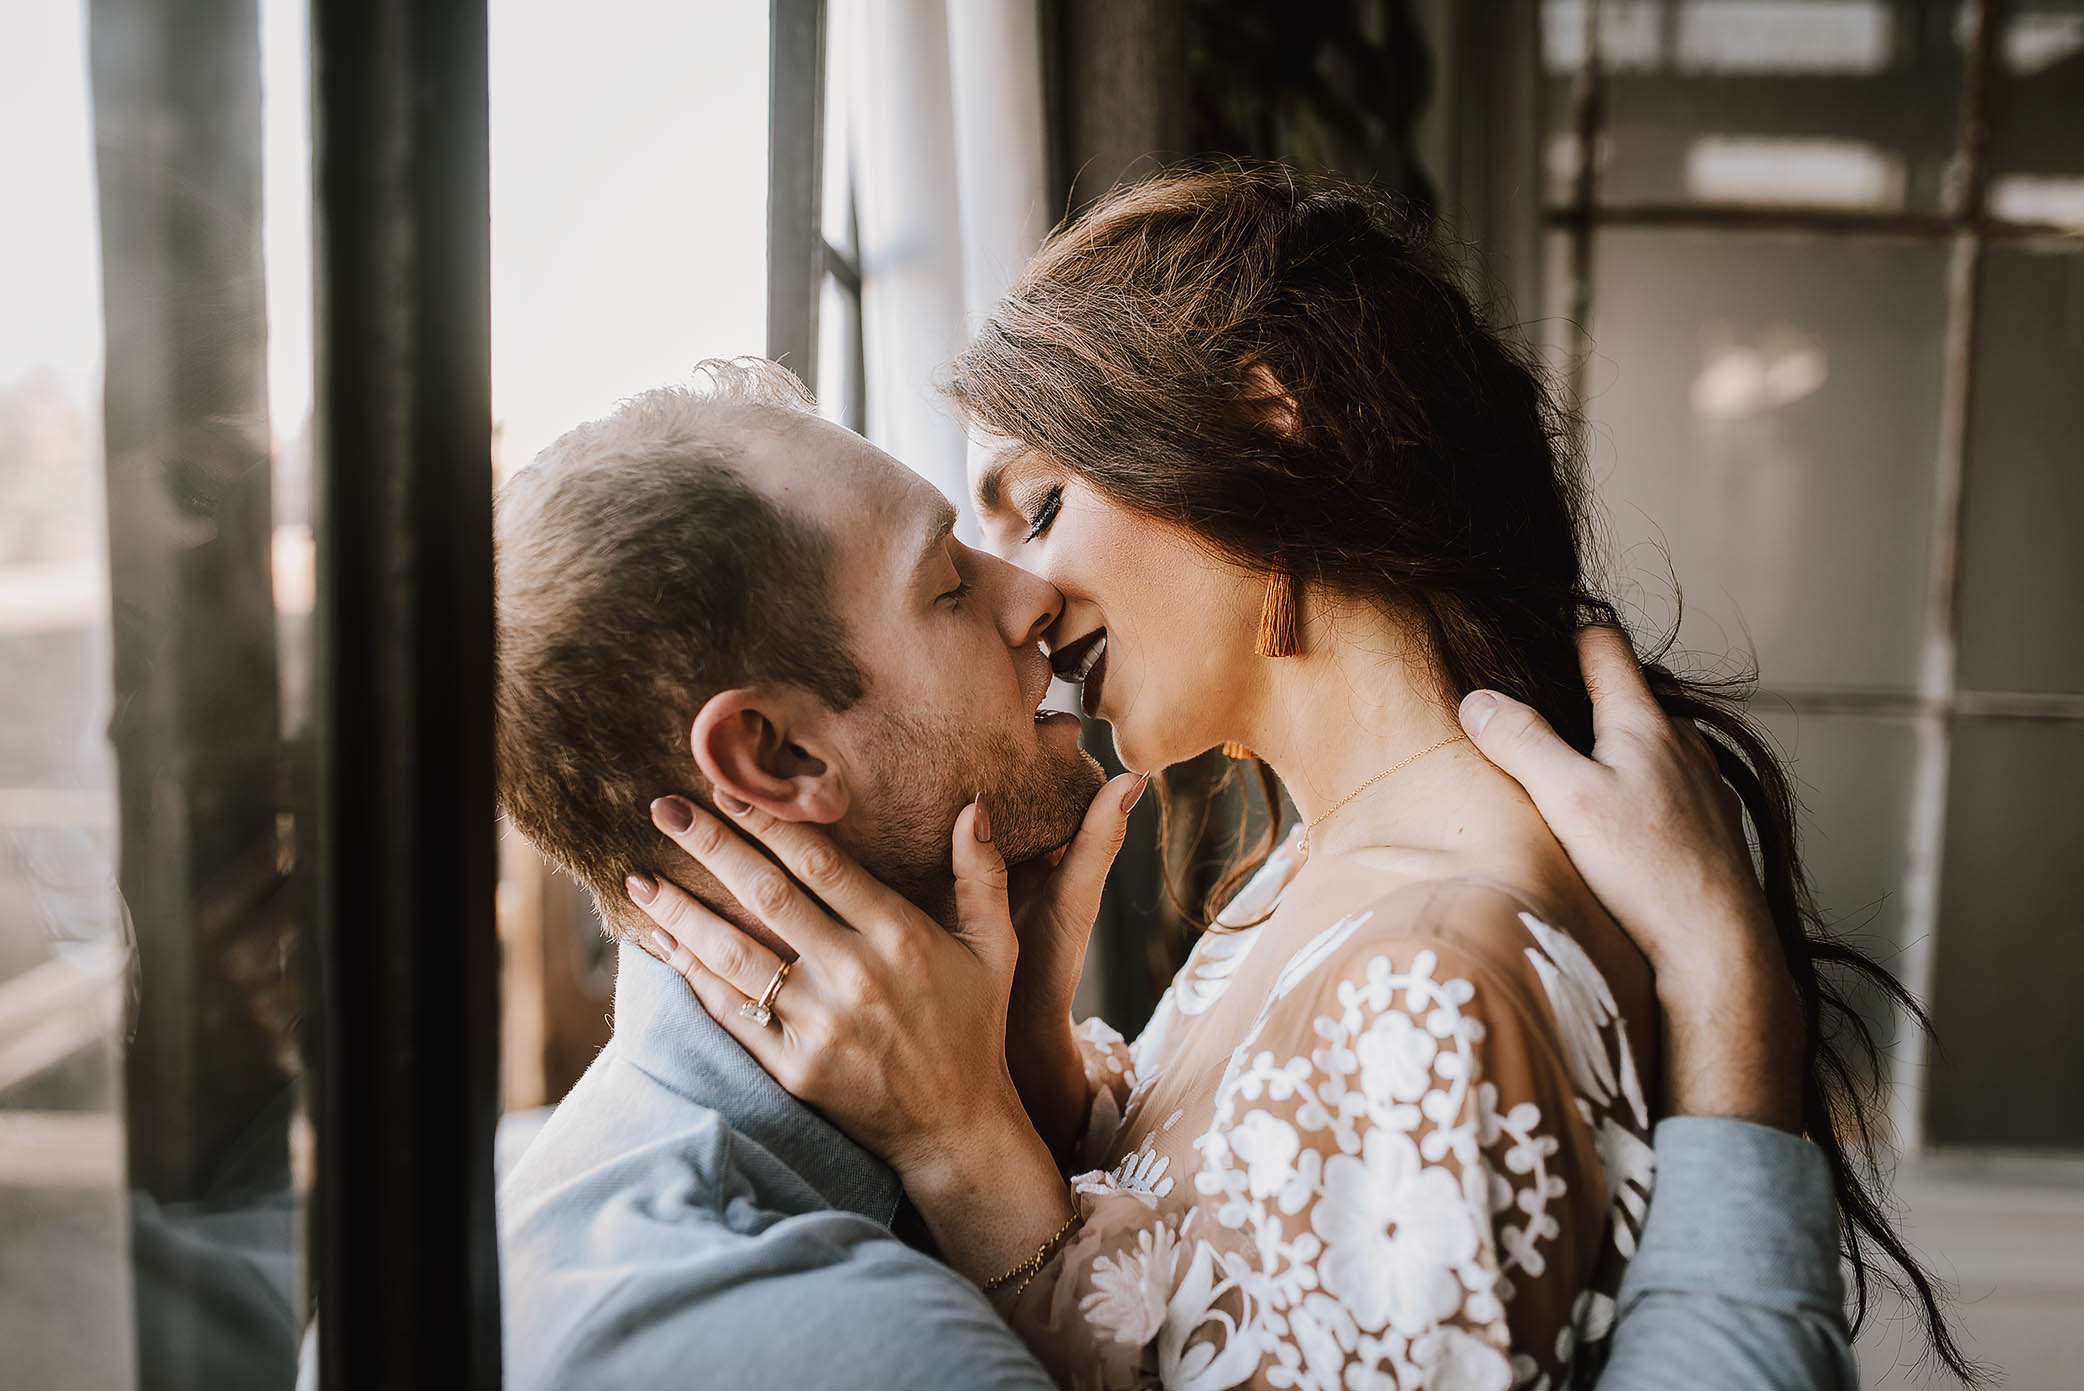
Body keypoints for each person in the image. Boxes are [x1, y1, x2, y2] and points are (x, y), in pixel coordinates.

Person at [629, 169, 1965, 1388]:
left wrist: (967, 1161)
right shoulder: (1311, 874)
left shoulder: (1424, 982)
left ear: (1266, 432)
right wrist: (1034, 1067)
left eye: (1038, 506)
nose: (1026, 592)